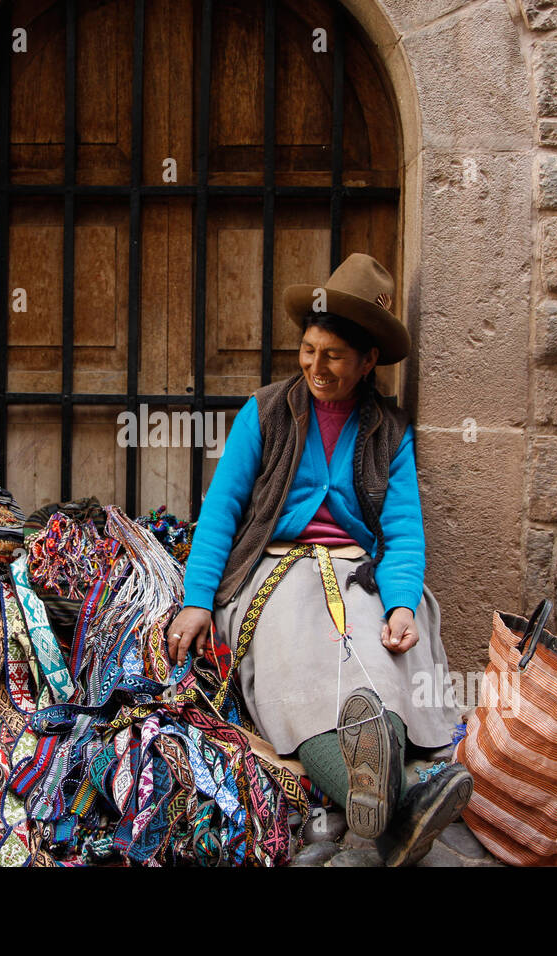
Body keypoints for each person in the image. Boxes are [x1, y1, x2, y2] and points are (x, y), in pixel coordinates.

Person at [168, 252, 470, 866]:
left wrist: (403, 604)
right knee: (299, 678)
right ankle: (400, 800)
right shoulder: (267, 412)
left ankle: (375, 801)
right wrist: (198, 601)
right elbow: (222, 509)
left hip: (360, 570)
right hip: (276, 571)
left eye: (333, 356)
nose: (316, 367)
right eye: (309, 350)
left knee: (381, 668)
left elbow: (404, 531)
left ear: (367, 363)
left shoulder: (388, 430)